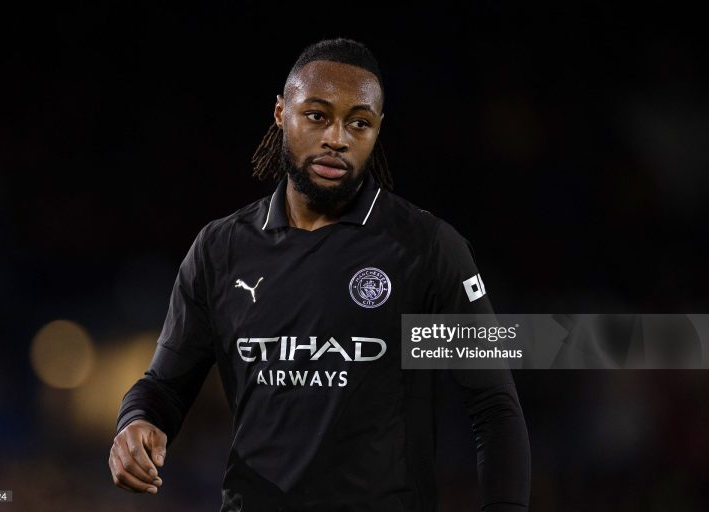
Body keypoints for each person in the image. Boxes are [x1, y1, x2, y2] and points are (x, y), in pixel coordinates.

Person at [109, 37, 531, 511]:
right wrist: (136, 421)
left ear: (377, 131)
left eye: (359, 123)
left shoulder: (427, 249)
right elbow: (165, 386)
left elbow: (494, 408)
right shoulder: (221, 249)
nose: (338, 137)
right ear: (280, 113)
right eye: (317, 115)